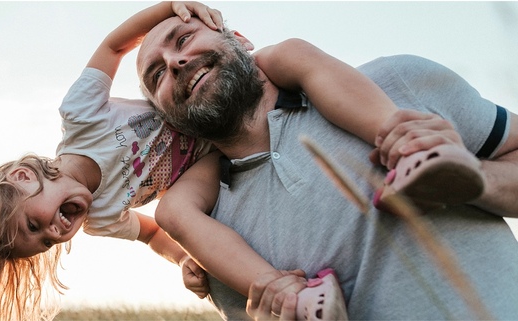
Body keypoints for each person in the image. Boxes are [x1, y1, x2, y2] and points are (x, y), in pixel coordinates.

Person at [136, 13, 518, 320]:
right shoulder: (213, 250)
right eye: (157, 76)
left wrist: (478, 179)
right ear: (169, 120)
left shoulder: (397, 82)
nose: (175, 62)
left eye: (183, 39)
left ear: (239, 38)